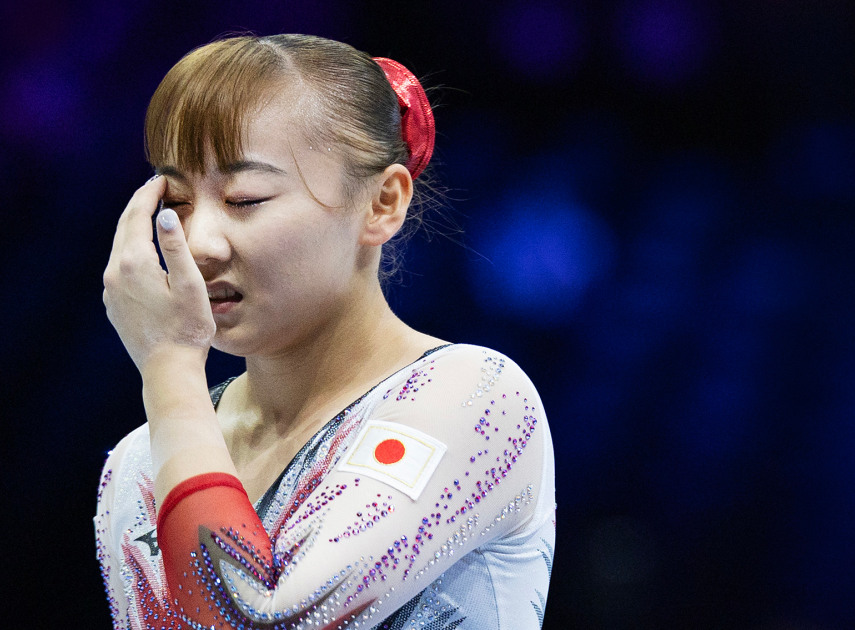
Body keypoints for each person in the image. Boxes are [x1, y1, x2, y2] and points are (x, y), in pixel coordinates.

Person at [95, 34, 555, 630]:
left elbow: (256, 620)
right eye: (177, 200)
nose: (199, 242)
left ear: (382, 202)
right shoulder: (136, 464)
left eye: (244, 199)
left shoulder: (478, 399)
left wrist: (170, 365)